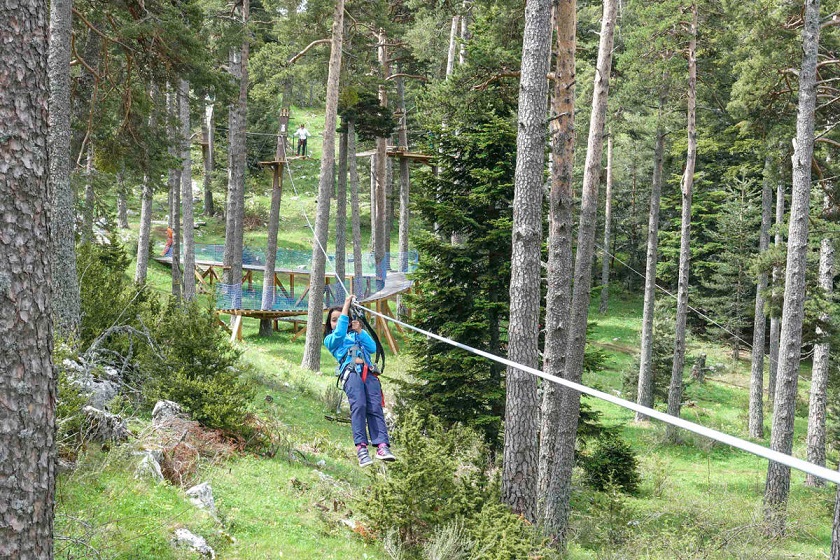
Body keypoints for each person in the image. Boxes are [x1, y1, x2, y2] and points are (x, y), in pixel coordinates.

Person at [324, 295, 396, 467]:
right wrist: (346, 306)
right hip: (351, 373)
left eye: (340, 319)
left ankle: (382, 446)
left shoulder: (356, 335)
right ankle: (361, 448)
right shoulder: (331, 339)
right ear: (330, 324)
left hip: (368, 373)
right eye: (334, 320)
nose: (337, 323)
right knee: (359, 406)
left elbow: (372, 348)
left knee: (375, 407)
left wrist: (360, 331)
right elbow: (339, 332)